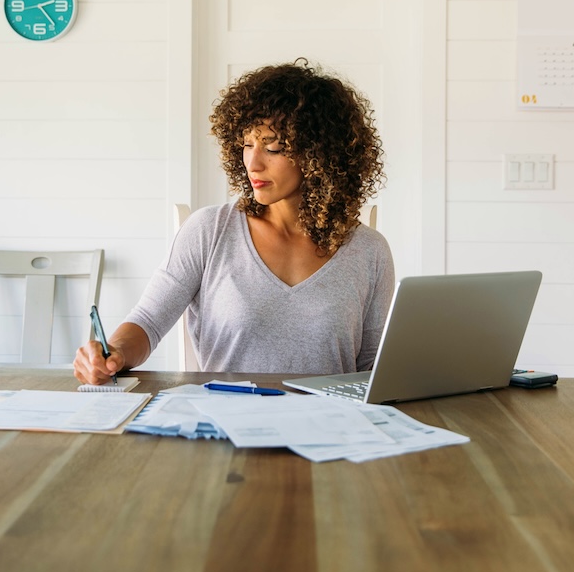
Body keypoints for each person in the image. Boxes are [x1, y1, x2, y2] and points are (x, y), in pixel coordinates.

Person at [73, 60, 395, 385]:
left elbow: (374, 370)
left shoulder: (369, 251)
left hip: (331, 428)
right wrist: (113, 352)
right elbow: (147, 322)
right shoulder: (209, 230)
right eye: (247, 145)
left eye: (273, 147)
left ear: (320, 155)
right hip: (225, 425)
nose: (253, 163)